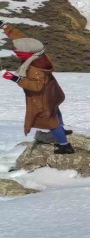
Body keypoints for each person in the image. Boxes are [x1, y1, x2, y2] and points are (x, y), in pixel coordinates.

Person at [1, 21, 73, 154]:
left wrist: (15, 78)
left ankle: (65, 146)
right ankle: (62, 129)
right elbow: (21, 39)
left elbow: (36, 86)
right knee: (54, 108)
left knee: (50, 120)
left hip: (43, 96)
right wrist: (5, 27)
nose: (16, 52)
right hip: (52, 91)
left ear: (26, 53)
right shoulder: (36, 51)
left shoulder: (36, 68)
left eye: (18, 51)